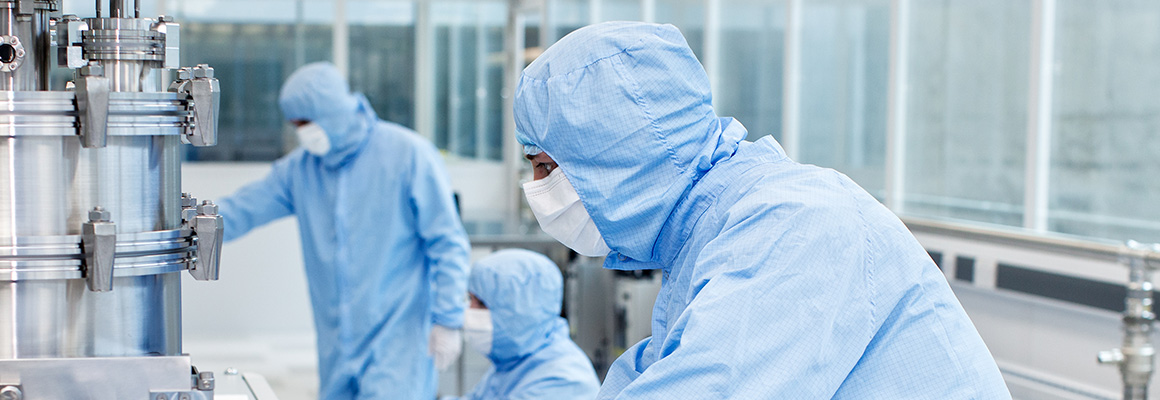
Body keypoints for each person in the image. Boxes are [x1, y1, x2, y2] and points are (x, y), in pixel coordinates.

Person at [511, 22, 1011, 398]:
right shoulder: (705, 239)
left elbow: (710, 387)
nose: (538, 189)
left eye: (547, 166)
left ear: (617, 152)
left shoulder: (793, 222)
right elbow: (646, 378)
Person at [218, 62, 471, 400]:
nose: (302, 133)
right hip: (337, 345)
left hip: (398, 338)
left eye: (306, 123)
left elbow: (447, 243)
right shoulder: (302, 169)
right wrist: (187, 229)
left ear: (332, 112)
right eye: (295, 126)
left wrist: (449, 317)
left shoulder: (407, 155)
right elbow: (243, 208)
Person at [459, 249, 599, 400]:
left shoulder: (562, 380)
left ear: (520, 310)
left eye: (481, 303)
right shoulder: (514, 362)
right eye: (469, 299)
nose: (469, 310)